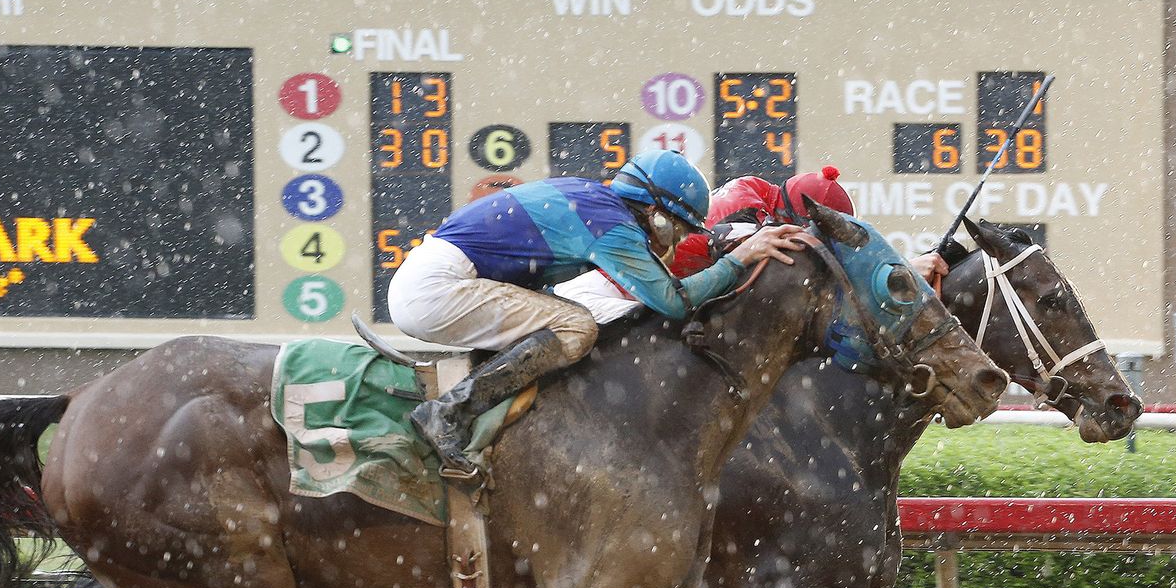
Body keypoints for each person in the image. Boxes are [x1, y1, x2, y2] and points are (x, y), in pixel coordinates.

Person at [387, 149, 808, 476]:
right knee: (577, 326)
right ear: (655, 211)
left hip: (436, 278)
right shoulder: (615, 226)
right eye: (676, 230)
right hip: (436, 288)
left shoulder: (597, 201)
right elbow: (672, 301)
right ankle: (448, 414)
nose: (676, 244)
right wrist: (739, 259)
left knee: (569, 317)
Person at [557, 165, 947, 327]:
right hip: (614, 295)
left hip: (654, 295)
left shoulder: (764, 196)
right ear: (798, 220)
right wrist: (905, 269)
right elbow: (794, 270)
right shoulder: (740, 206)